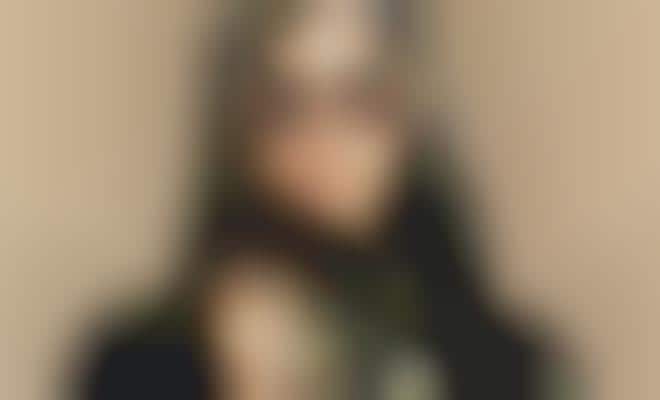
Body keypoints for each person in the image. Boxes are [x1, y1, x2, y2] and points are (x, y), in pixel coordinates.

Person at [82, 1, 568, 399]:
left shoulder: (504, 369)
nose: (322, 141)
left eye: (358, 101)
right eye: (287, 106)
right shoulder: (146, 365)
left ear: (413, 120)